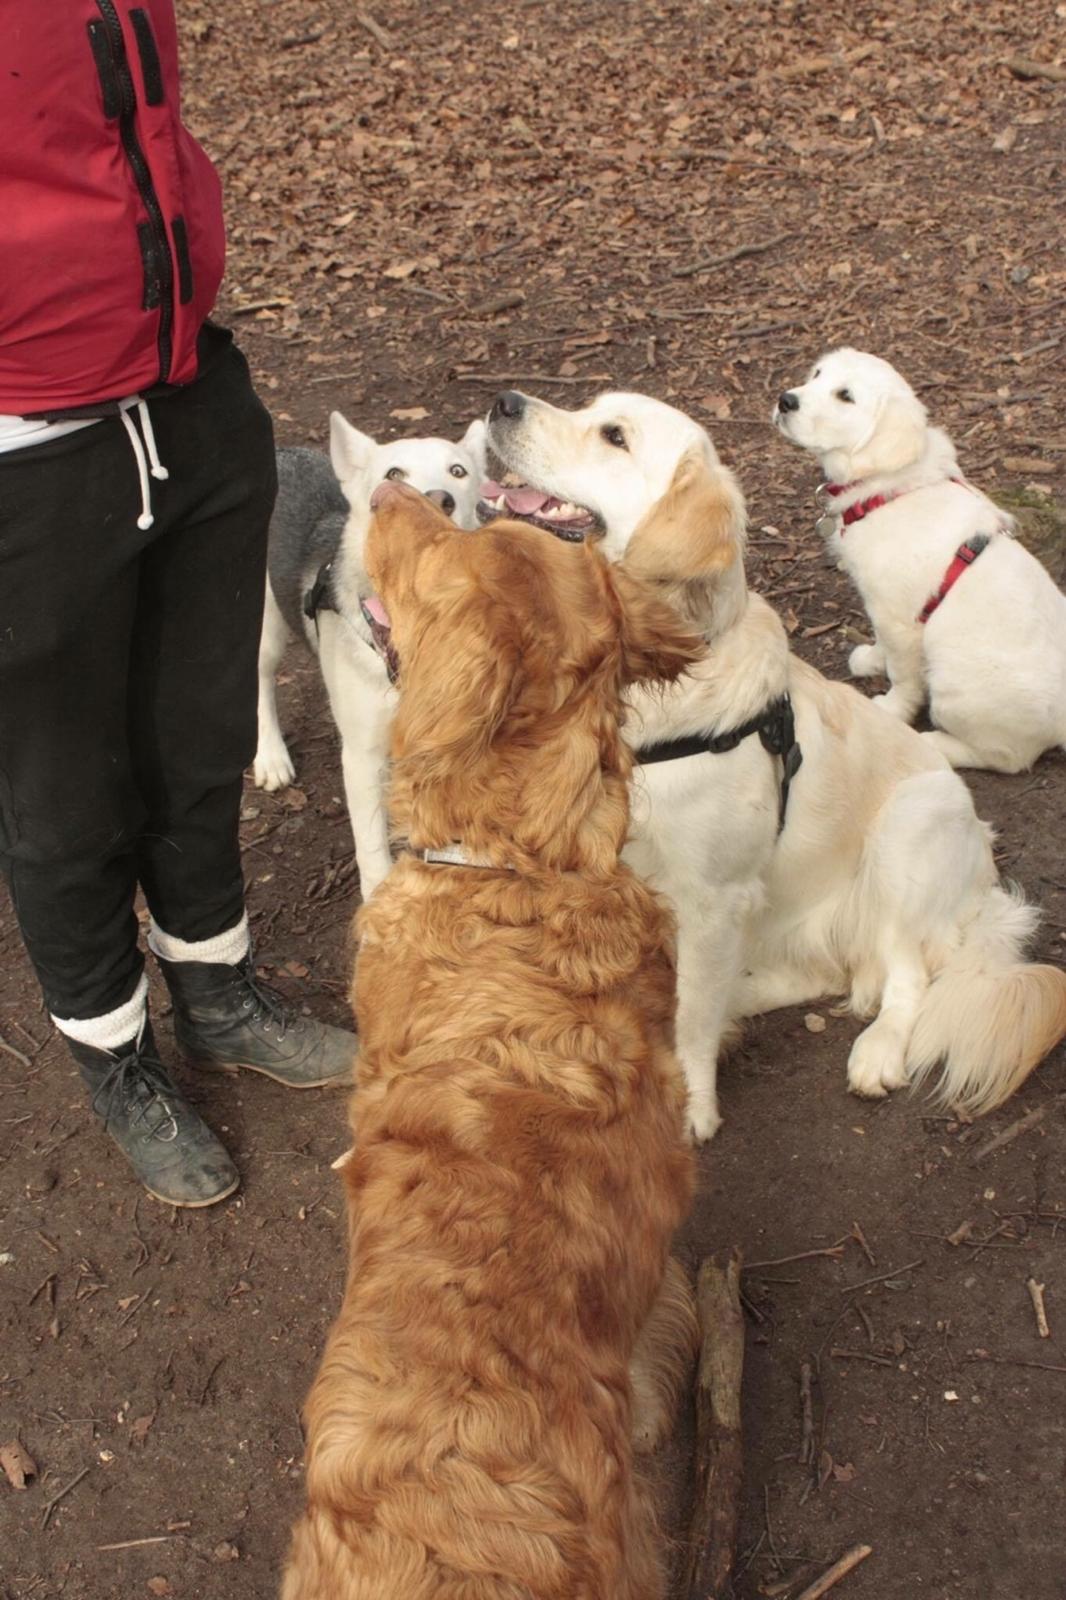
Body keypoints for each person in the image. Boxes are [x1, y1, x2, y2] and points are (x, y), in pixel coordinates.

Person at [1, 1, 355, 1208]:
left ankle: (217, 991)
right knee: (62, 795)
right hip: (24, 444)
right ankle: (114, 1056)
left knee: (201, 740)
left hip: (189, 393)